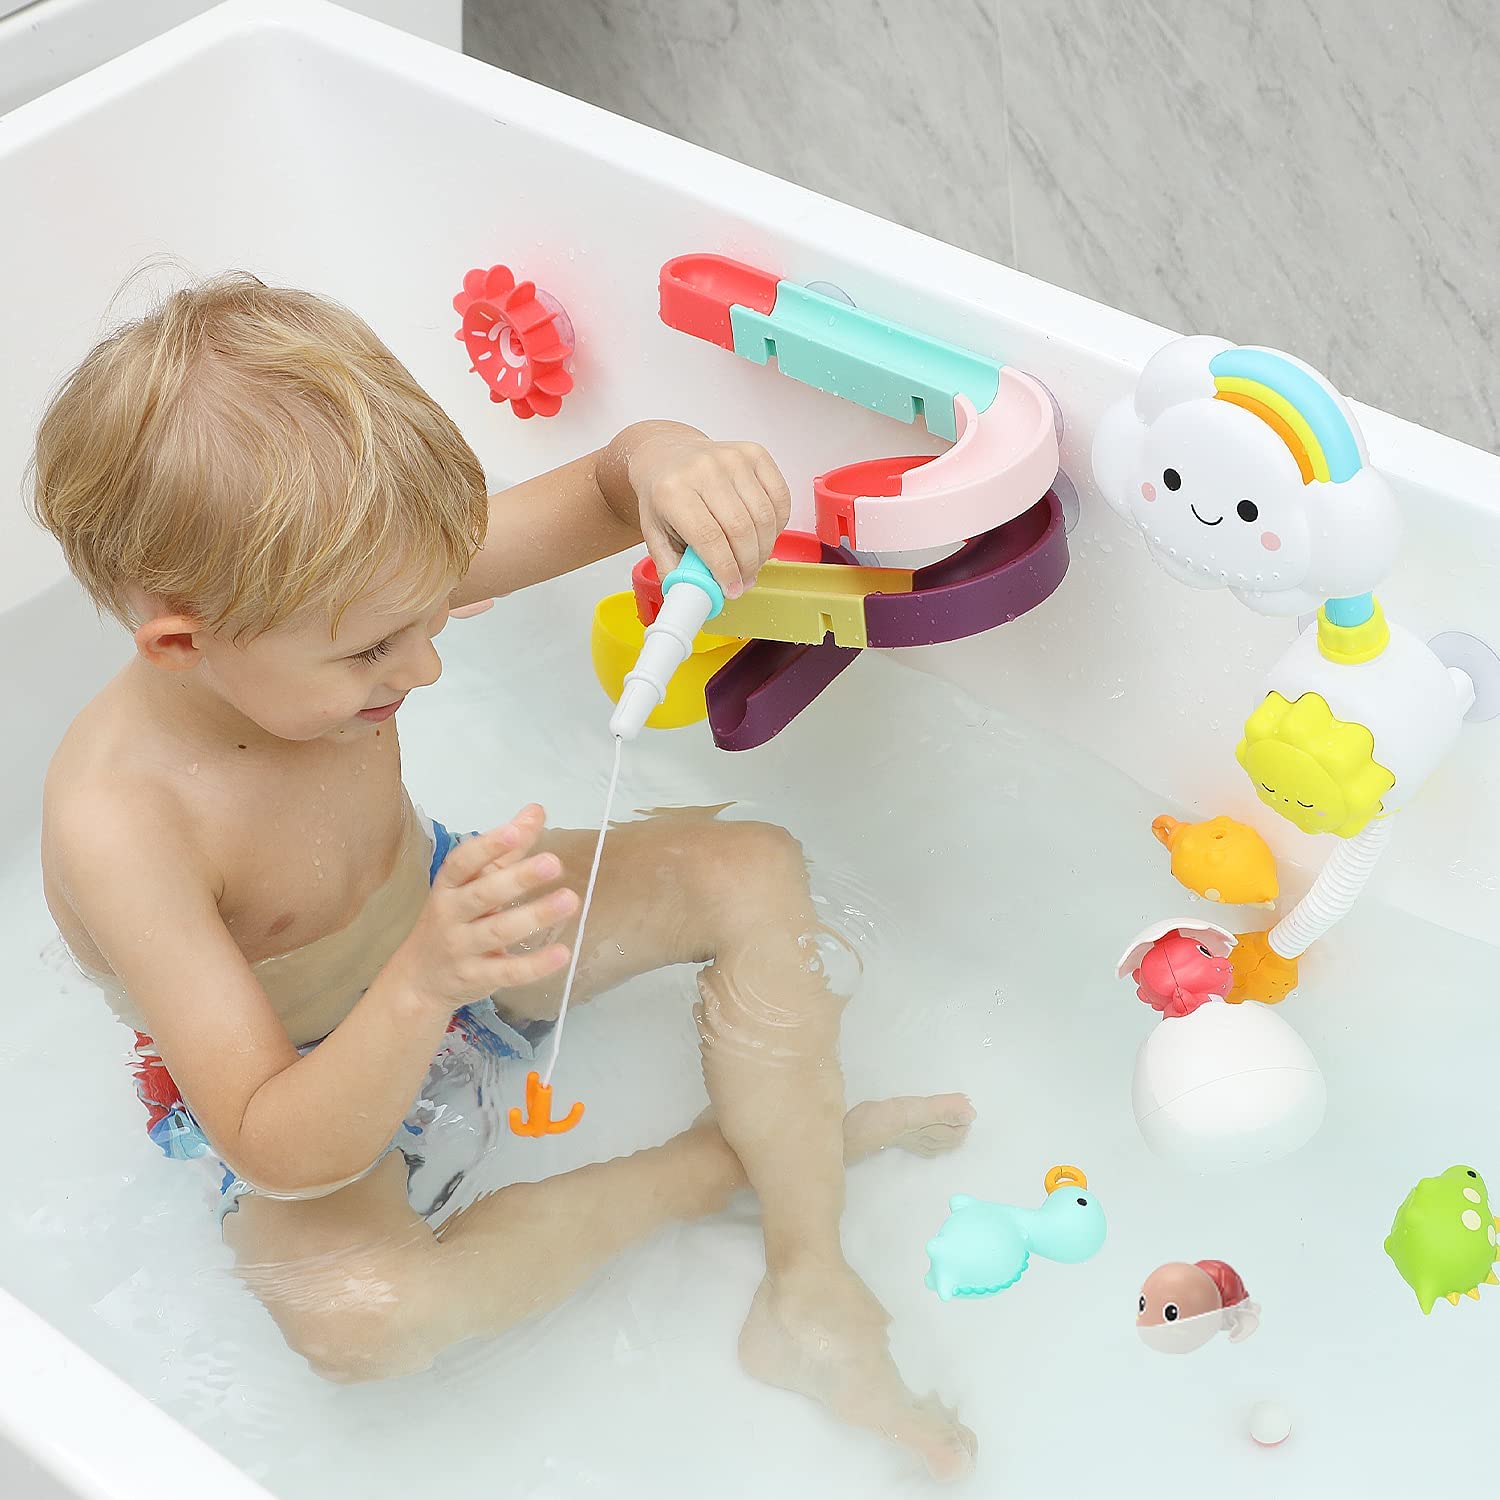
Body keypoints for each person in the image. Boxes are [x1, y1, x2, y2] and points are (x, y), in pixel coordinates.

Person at [33, 274, 976, 1479]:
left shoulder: (345, 580)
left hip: (443, 920)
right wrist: (422, 982)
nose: (423, 666)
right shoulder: (126, 824)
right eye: (377, 649)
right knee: (360, 1320)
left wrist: (666, 460)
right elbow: (273, 1140)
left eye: (433, 614)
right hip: (311, 1083)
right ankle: (709, 1166)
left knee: (749, 868)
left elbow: (608, 487)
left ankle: (809, 1278)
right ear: (183, 642)